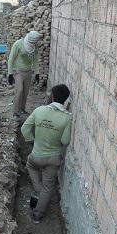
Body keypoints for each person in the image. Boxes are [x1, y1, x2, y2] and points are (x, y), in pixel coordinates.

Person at [21, 84, 72, 223]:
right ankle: (37, 215)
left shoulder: (39, 111)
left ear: (52, 96)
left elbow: (24, 129)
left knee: (30, 166)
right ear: (65, 100)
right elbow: (65, 141)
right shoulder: (67, 118)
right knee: (48, 187)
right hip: (53, 159)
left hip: (36, 156)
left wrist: (33, 142)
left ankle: (38, 190)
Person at [8, 31, 42, 118]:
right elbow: (11, 59)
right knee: (19, 91)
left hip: (28, 71)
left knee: (25, 92)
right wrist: (10, 73)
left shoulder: (35, 46)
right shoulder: (18, 44)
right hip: (18, 71)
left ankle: (22, 109)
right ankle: (16, 111)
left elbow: (35, 60)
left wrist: (37, 73)